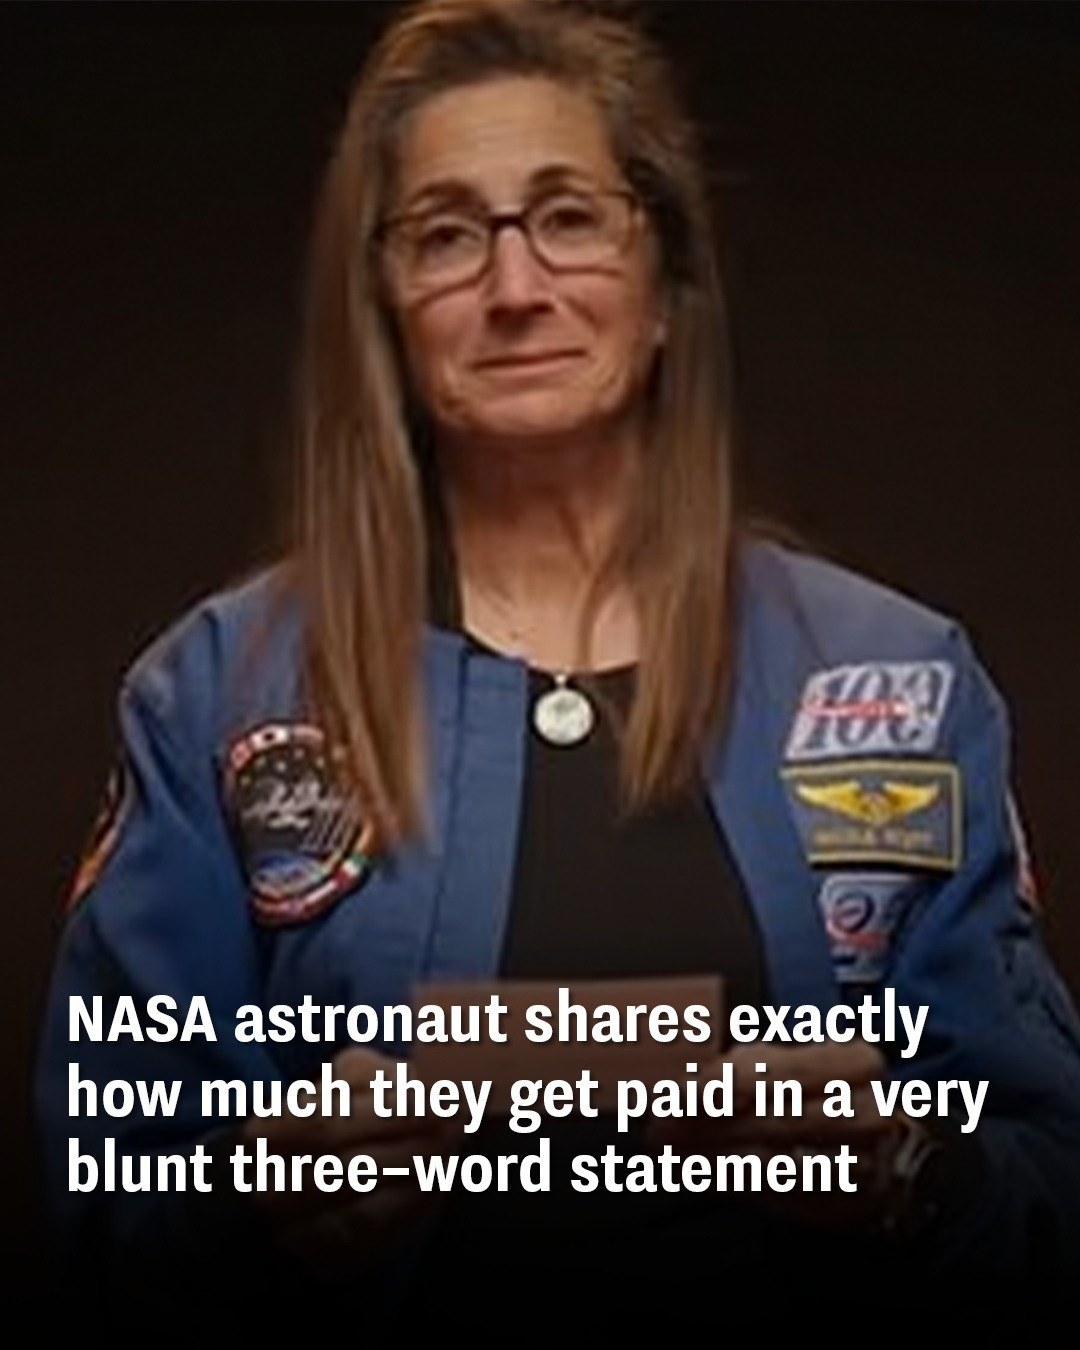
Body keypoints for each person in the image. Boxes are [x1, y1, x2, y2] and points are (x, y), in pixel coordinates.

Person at [36, 0, 1080, 1336]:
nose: (516, 288)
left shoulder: (900, 677)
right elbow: (100, 1202)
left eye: (570, 217)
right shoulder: (216, 692)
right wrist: (255, 1206)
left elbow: (1049, 1189)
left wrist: (918, 1174)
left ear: (666, 279)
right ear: (381, 307)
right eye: (446, 235)